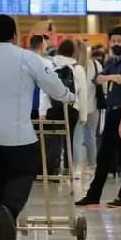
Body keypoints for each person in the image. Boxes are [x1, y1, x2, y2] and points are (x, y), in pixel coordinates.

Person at [0, 15, 74, 240]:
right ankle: (8, 209)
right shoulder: (28, 58)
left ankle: (1, 231)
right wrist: (67, 96)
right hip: (18, 133)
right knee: (24, 172)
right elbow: (53, 86)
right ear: (14, 35)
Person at [76, 27, 121, 208]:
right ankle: (93, 195)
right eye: (113, 41)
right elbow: (97, 78)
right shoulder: (113, 62)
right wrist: (112, 76)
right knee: (104, 157)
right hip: (112, 113)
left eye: (119, 41)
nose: (116, 44)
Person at [41, 39, 87, 176]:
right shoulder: (77, 68)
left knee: (52, 139)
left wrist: (42, 111)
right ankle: (69, 169)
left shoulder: (51, 65)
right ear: (73, 52)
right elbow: (82, 93)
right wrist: (83, 115)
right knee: (70, 138)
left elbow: (45, 90)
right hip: (71, 108)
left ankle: (52, 169)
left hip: (53, 107)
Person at [73, 39, 101, 178]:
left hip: (78, 107)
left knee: (76, 138)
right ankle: (92, 166)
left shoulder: (73, 67)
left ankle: (76, 168)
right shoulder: (96, 65)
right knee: (91, 137)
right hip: (94, 106)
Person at [30, 34, 52, 120]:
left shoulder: (22, 62)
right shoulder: (47, 63)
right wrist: (43, 111)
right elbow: (46, 89)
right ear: (42, 45)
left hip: (24, 107)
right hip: (39, 105)